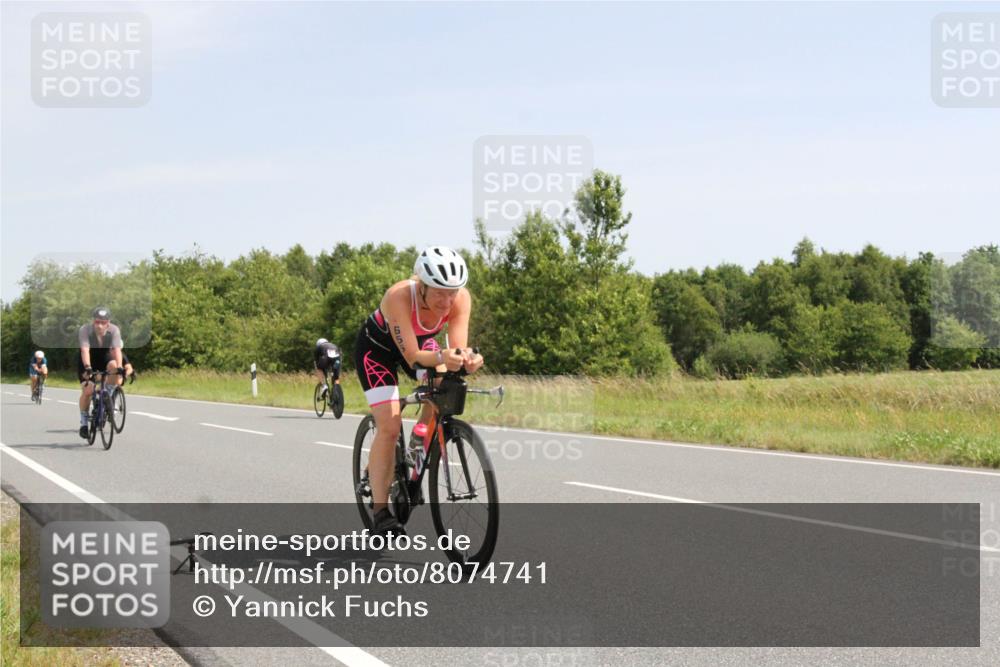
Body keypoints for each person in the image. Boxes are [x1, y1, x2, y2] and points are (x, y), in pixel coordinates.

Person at [354, 246, 484, 535]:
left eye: (452, 292)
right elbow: (412, 356)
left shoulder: (460, 299)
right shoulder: (399, 296)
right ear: (421, 285)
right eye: (439, 291)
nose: (447, 300)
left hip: (421, 346)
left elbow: (457, 349)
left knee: (445, 384)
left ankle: (418, 439)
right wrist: (443, 357)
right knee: (389, 425)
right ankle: (380, 512)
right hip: (377, 352)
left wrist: (467, 360)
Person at [77, 306, 124, 439]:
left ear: (108, 323)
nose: (100, 325)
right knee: (88, 391)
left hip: (104, 357)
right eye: (97, 322)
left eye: (103, 323)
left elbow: (116, 350)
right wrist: (87, 367)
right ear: (93, 321)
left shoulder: (114, 330)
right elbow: (85, 350)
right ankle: (84, 422)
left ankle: (107, 396)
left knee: (114, 365)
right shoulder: (85, 330)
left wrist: (120, 367)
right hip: (87, 359)